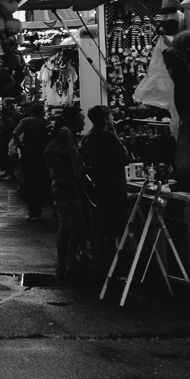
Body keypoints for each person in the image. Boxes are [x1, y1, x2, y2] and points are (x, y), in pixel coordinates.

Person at [80, 105, 129, 280]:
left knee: (100, 229)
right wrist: (114, 132)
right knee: (111, 230)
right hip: (114, 187)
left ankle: (101, 266)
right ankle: (111, 268)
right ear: (105, 119)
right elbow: (124, 157)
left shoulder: (90, 138)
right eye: (110, 117)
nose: (112, 120)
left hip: (98, 187)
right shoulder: (109, 137)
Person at [44, 106, 88, 283]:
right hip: (65, 187)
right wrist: (65, 173)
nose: (84, 121)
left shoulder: (70, 134)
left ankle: (64, 263)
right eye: (81, 118)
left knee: (67, 225)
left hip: (67, 186)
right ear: (74, 119)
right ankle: (69, 263)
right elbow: (48, 153)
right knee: (77, 224)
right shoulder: (65, 134)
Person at [13, 104, 52, 221]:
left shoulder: (26, 121)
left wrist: (20, 146)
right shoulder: (46, 123)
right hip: (41, 156)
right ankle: (38, 210)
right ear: (40, 112)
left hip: (28, 155)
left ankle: (32, 211)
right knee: (40, 183)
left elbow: (15, 133)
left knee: (29, 184)